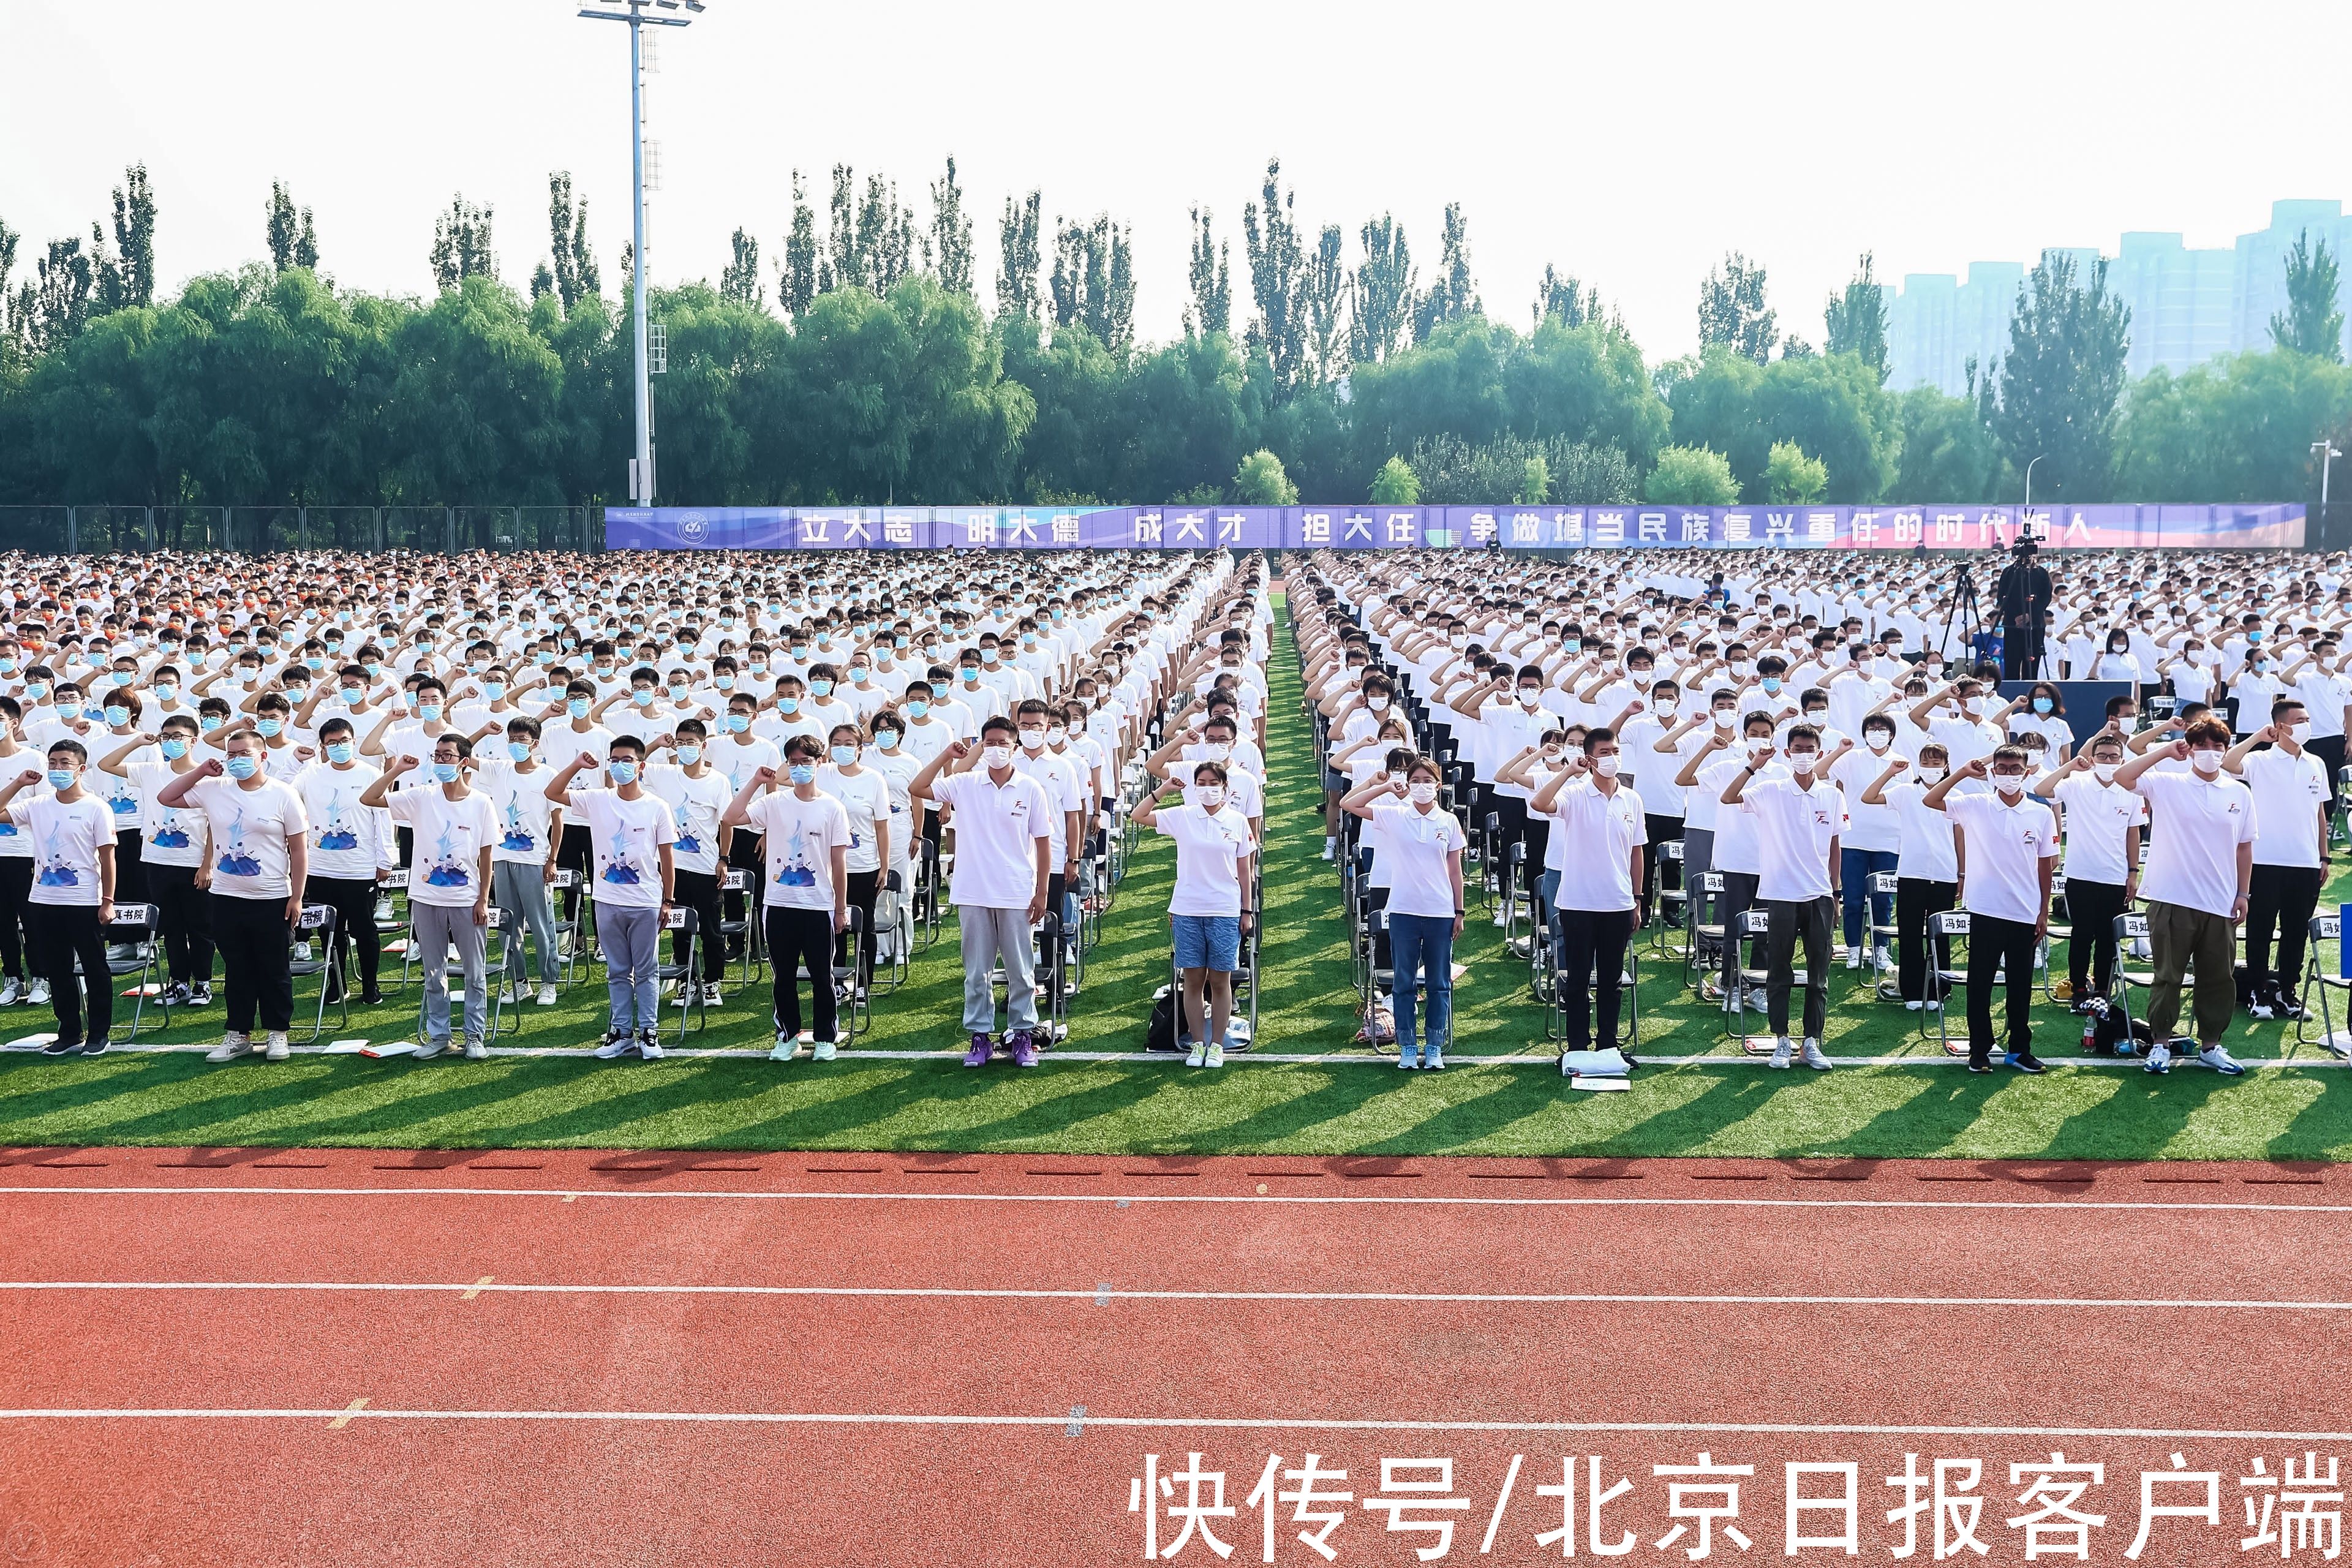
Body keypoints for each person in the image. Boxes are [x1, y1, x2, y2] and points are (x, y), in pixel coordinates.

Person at [908, 716, 1055, 1068]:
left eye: (1003, 743)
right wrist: (948, 754)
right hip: (973, 892)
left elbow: (1044, 842)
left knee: (1021, 971)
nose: (996, 749)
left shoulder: (1031, 788)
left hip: (1016, 892)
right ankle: (980, 1037)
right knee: (977, 972)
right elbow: (918, 787)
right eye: (989, 743)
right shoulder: (964, 784)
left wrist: (1042, 891)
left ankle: (1023, 1036)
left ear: (1015, 747)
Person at [157, 730, 309, 1063]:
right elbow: (166, 798)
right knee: (237, 968)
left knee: (274, 968)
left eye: (244, 754)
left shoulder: (283, 795)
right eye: (232, 754)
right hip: (226, 897)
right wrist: (200, 771)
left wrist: (296, 897)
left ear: (263, 757)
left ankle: (277, 1032)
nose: (237, 760)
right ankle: (238, 1034)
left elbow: (299, 851)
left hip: (272, 897)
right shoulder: (215, 789)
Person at [2113, 715, 2252, 1076]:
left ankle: (2211, 1045)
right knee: (2168, 976)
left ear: (2226, 749)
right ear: (2190, 749)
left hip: (2220, 901)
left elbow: (2244, 847)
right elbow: (2123, 777)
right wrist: (2165, 750)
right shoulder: (2167, 784)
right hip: (2171, 897)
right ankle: (2160, 1044)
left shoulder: (2239, 792)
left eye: (2217, 746)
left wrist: (2243, 893)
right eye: (2202, 745)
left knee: (2219, 977)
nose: (2210, 753)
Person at [1924, 747, 2059, 1072]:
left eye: (2015, 769)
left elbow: (2046, 866)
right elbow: (1932, 800)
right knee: (1980, 984)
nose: (2008, 774)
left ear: (2026, 773)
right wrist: (1962, 773)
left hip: (2025, 913)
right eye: (2002, 768)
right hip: (1985, 910)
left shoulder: (2040, 814)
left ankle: (2019, 1050)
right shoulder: (1976, 805)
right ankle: (1979, 1050)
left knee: (2020, 986)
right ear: (1992, 772)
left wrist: (2043, 910)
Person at [364, 734, 497, 1058]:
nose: (440, 761)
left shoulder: (481, 802)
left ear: (464, 762)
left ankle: (474, 1037)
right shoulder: (421, 797)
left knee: (474, 971)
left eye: (447, 756)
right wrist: (396, 769)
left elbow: (486, 856)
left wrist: (483, 899)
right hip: (425, 897)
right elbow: (370, 798)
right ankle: (439, 1036)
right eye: (437, 755)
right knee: (433, 970)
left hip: (466, 900)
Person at [545, 736, 676, 1061]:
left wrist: (668, 900)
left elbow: (667, 857)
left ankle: (649, 1032)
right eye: (614, 760)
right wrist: (577, 764)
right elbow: (553, 793)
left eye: (627, 760)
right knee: (618, 971)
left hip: (645, 901)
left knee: (646, 971)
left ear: (641, 766)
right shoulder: (598, 799)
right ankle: (621, 1033)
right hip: (606, 900)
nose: (620, 766)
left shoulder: (657, 807)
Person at [1720, 723, 1843, 1068]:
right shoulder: (1770, 790)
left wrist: (1836, 894)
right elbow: (1728, 797)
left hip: (1819, 895)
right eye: (1798, 749)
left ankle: (1812, 1042)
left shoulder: (1832, 794)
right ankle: (1782, 1041)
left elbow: (1835, 846)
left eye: (1810, 750)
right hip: (1780, 895)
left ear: (1819, 753)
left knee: (1819, 974)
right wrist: (1753, 766)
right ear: (1787, 753)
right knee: (1779, 972)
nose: (1804, 755)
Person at [722, 736, 851, 1061]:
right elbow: (731, 818)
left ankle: (825, 1038)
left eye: (806, 762)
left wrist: (839, 909)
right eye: (793, 762)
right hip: (779, 905)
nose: (800, 768)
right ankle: (787, 1036)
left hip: (818, 906)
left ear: (820, 763)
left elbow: (839, 864)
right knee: (784, 977)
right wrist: (755, 782)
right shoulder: (774, 803)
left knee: (823, 976)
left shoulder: (832, 807)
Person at [1341, 755, 1465, 1070]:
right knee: (1404, 983)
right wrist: (1381, 785)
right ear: (1408, 785)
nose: (1422, 786)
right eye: (1416, 781)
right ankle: (1408, 1046)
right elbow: (1348, 803)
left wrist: (1459, 911)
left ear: (1438, 785)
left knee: (1439, 983)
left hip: (1439, 912)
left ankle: (1434, 1045)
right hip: (1403, 911)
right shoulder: (1395, 815)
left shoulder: (1449, 821)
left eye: (1428, 781)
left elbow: (1455, 871)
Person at [1529, 727, 1645, 1063]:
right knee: (1577, 979)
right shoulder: (1575, 793)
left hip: (1619, 903)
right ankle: (1578, 1045)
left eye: (1615, 751)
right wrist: (1568, 770)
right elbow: (1540, 803)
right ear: (1592, 758)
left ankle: (1608, 1044)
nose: (1612, 758)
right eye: (1605, 753)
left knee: (1611, 980)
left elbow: (1637, 851)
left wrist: (1637, 898)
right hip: (1578, 903)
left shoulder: (1632, 799)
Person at [1131, 759, 1256, 1068]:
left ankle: (1217, 1046)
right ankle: (1197, 1044)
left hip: (1225, 911)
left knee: (1220, 981)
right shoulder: (1183, 816)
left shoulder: (1238, 821)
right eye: (1202, 783)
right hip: (1187, 910)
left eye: (1214, 784)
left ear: (1225, 788)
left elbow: (1245, 871)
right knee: (1193, 980)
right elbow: (1138, 815)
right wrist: (1163, 790)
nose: (1208, 789)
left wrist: (1247, 910)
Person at [0, 741, 116, 1054]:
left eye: (65, 763)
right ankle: (69, 1032)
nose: (57, 769)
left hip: (83, 901)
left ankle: (99, 1033)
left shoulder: (96, 807)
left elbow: (107, 858)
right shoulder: (37, 805)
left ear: (81, 768)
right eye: (53, 763)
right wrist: (19, 783)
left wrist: (108, 900)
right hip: (43, 900)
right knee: (57, 968)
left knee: (94, 967)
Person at [2226, 698, 2331, 1020]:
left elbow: (2320, 813)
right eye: (2299, 720)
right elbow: (2229, 763)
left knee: (2296, 932)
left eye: (2307, 719)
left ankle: (2288, 992)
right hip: (2265, 862)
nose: (2305, 725)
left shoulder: (2316, 763)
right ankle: (2259, 993)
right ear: (2281, 725)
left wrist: (2324, 856)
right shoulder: (2260, 761)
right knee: (2260, 930)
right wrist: (2258, 736)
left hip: (2306, 862)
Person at [2034, 728, 2143, 1008]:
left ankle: (2103, 994)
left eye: (2114, 757)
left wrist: (2133, 873)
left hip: (2116, 876)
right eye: (2103, 756)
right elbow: (2042, 790)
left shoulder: (2132, 788)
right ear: (2093, 759)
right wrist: (2071, 765)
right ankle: (2079, 991)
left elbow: (2134, 833)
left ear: (2122, 759)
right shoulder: (2077, 783)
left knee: (2108, 939)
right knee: (2082, 936)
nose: (2109, 761)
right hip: (2080, 875)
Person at [293, 715, 391, 1007]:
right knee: (328, 931)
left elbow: (383, 819)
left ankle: (370, 985)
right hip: (321, 868)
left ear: (354, 742)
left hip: (360, 869)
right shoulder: (311, 775)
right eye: (331, 743)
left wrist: (385, 860)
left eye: (343, 741)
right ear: (323, 747)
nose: (338, 747)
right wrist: (296, 761)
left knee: (364, 930)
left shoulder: (370, 774)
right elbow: (286, 793)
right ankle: (337, 985)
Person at [475, 716, 564, 1006]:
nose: (515, 744)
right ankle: (519, 982)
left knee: (540, 924)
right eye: (511, 739)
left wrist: (552, 859)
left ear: (535, 744)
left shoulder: (549, 775)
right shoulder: (499, 770)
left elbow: (557, 820)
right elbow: (464, 754)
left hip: (535, 859)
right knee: (506, 926)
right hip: (502, 857)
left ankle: (549, 981)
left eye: (521, 740)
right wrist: (484, 729)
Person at [644, 717, 733, 1008]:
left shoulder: (718, 781)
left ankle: (711, 982)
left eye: (691, 743)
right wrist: (658, 743)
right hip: (672, 866)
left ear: (703, 746)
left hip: (706, 866)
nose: (685, 748)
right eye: (680, 743)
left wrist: (723, 858)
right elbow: (633, 763)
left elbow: (726, 822)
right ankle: (686, 982)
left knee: (710, 929)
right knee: (679, 926)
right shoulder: (666, 774)